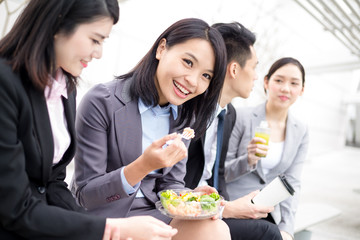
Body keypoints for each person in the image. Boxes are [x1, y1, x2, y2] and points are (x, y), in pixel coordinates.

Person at [0, 1, 178, 239]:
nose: (99, 53)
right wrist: (112, 229)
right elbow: (14, 208)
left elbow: (53, 183)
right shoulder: (5, 84)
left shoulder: (64, 87)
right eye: (95, 39)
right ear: (58, 23)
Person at [72, 18, 231, 240]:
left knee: (215, 229)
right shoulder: (102, 102)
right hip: (107, 218)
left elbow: (171, 185)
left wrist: (190, 198)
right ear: (162, 48)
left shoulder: (184, 116)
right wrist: (143, 166)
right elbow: (86, 195)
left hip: (156, 215)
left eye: (206, 76)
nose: (193, 81)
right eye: (188, 62)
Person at [184, 22, 282, 240]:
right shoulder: (189, 109)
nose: (257, 77)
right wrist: (226, 209)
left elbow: (217, 175)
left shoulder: (229, 115)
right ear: (235, 69)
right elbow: (179, 178)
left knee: (269, 225)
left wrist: (248, 160)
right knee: (267, 233)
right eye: (255, 67)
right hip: (189, 208)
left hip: (214, 205)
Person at [225, 57, 309, 240]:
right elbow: (220, 173)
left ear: (301, 90)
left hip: (269, 213)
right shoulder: (240, 116)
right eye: (279, 80)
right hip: (235, 206)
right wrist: (248, 160)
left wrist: (287, 228)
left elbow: (292, 183)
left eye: (294, 83)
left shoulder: (300, 130)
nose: (285, 88)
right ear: (266, 82)